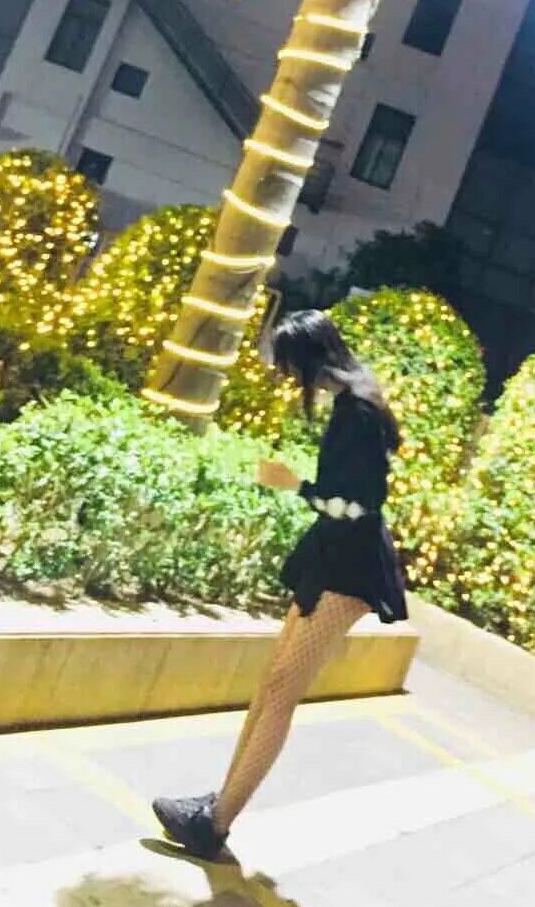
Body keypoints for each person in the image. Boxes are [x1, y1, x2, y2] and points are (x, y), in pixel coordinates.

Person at [152, 309, 408, 861]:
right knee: (272, 686)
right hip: (331, 555)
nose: (290, 378)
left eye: (292, 366)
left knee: (282, 693)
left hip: (351, 566)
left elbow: (359, 506)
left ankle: (216, 824)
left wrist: (294, 485)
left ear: (311, 359)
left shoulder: (358, 411)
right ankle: (217, 803)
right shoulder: (355, 398)